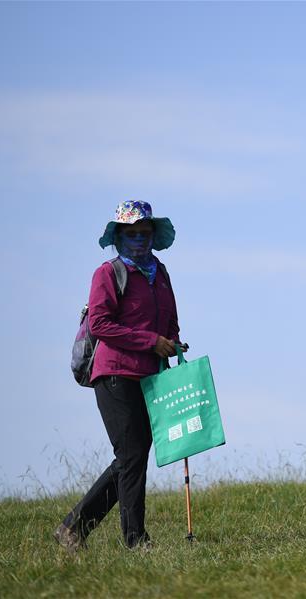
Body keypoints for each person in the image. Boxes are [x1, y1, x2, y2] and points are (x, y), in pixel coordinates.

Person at [55, 200, 184, 552]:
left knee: (134, 455)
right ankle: (135, 539)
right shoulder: (108, 274)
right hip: (114, 373)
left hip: (150, 374)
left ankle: (74, 528)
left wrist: (170, 341)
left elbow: (169, 319)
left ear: (154, 236)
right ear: (118, 237)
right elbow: (100, 324)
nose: (139, 240)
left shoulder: (161, 272)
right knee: (131, 454)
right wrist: (150, 341)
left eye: (145, 233)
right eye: (131, 234)